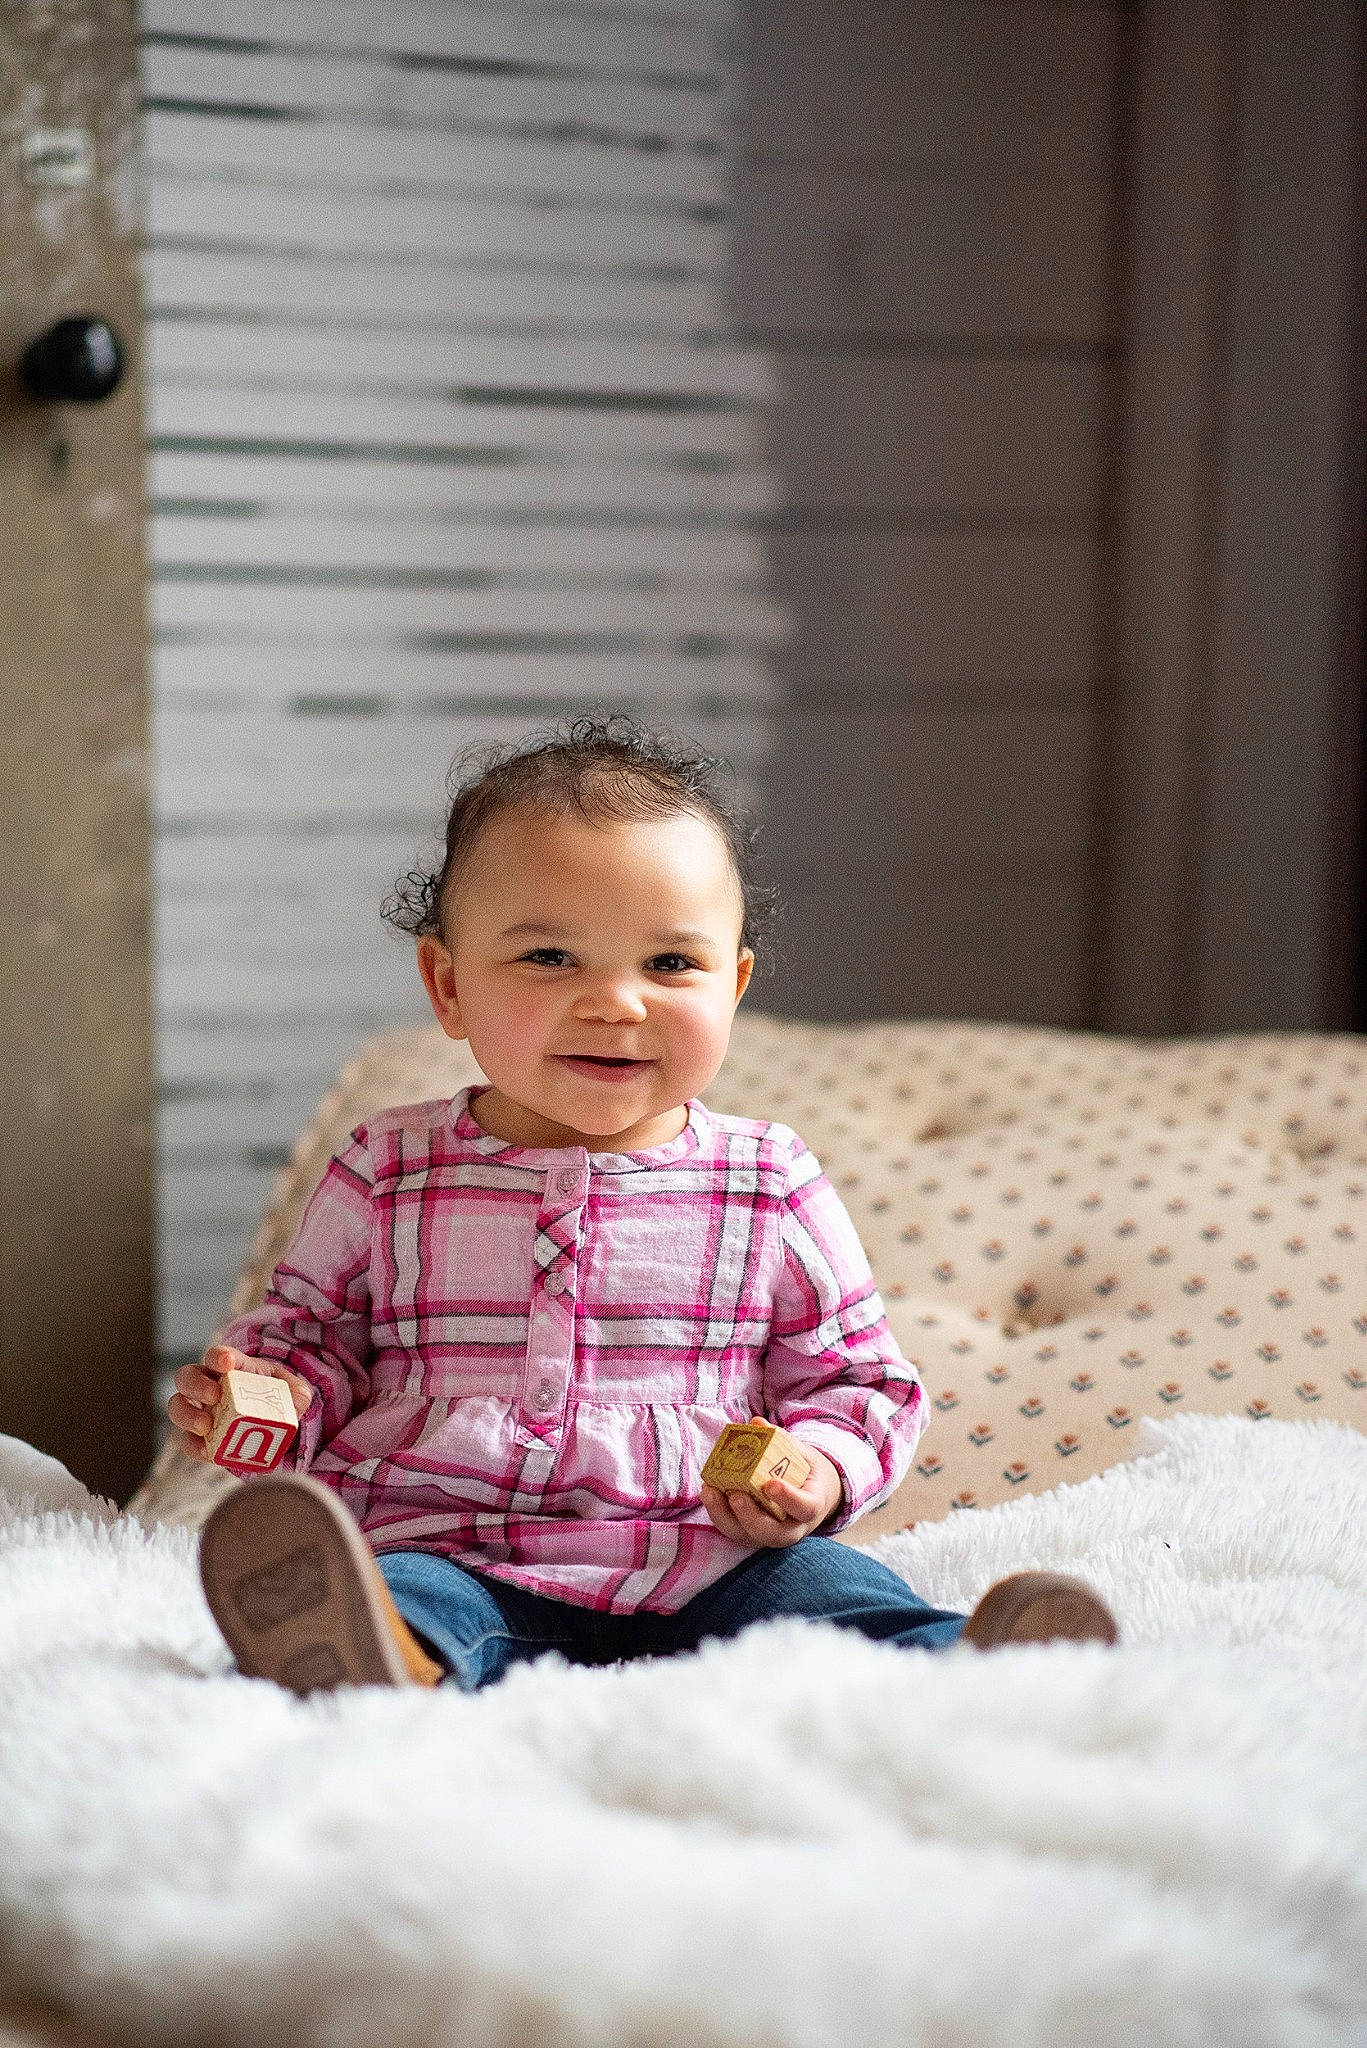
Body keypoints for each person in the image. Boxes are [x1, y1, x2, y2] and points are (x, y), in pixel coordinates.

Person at [169, 716, 1117, 1694]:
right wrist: (267, 1401)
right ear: (447, 985)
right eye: (548, 957)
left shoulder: (767, 1178)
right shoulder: (388, 1163)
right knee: (408, 1589)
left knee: (835, 1592)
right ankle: (385, 1660)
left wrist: (816, 1471)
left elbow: (857, 1381)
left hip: (711, 1553)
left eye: (669, 965)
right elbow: (314, 1336)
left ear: (733, 986)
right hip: (452, 1541)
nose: (616, 1002)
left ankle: (974, 1671)